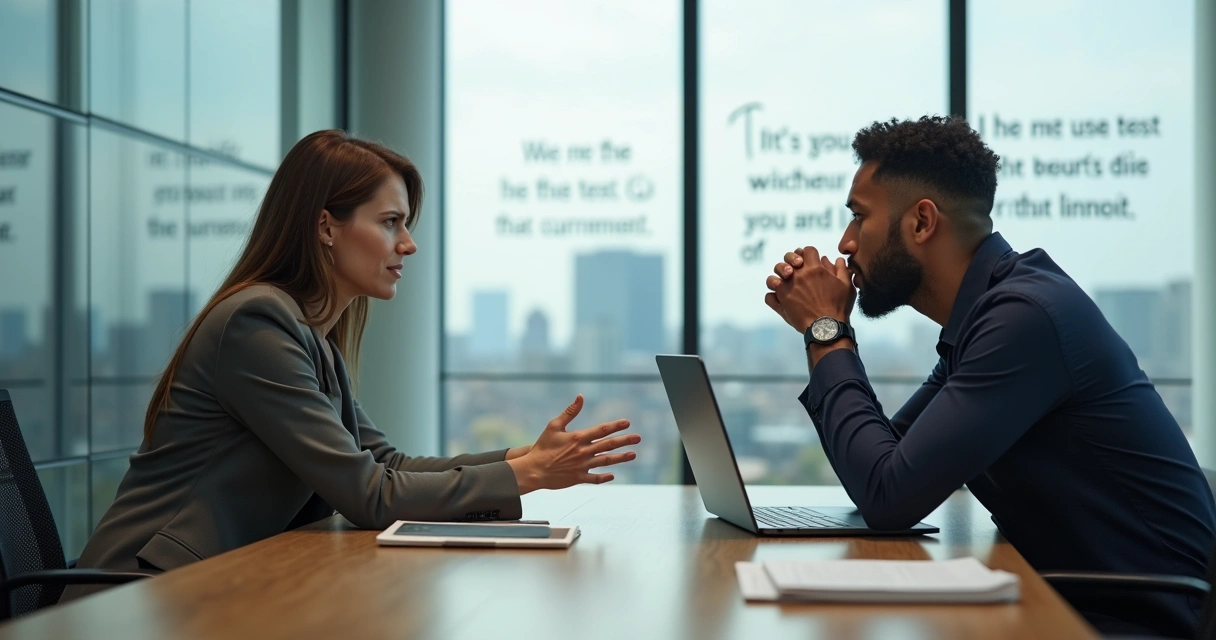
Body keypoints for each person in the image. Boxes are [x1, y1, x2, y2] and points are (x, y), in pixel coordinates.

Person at [63, 130, 640, 601]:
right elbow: (369, 494)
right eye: (391, 222)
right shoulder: (256, 325)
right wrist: (526, 475)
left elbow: (384, 463)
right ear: (326, 228)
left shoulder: (310, 336)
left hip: (219, 584)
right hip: (136, 596)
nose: (408, 244)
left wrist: (520, 457)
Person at [764, 116, 1215, 637]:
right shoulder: (986, 318)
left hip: (1134, 621)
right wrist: (826, 332)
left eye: (859, 217)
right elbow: (886, 465)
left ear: (922, 222)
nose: (844, 243)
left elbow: (887, 496)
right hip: (1064, 600)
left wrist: (827, 332)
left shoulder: (1024, 317)